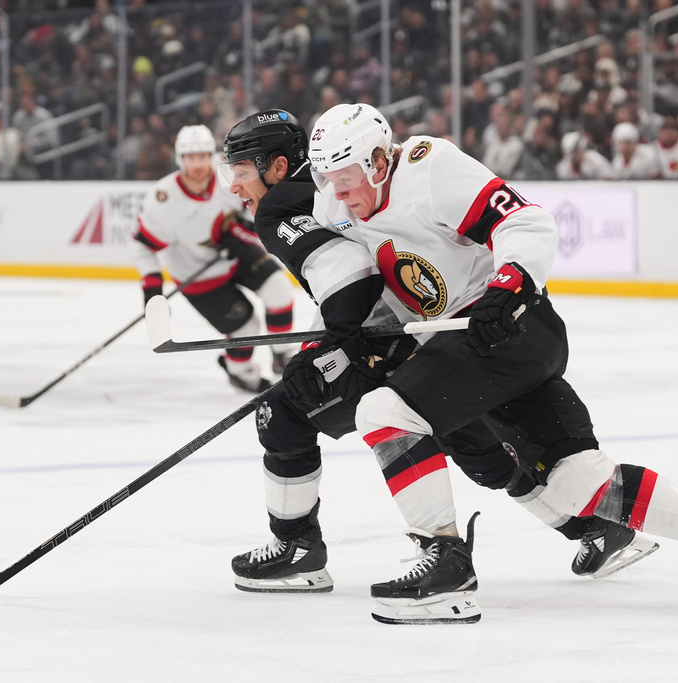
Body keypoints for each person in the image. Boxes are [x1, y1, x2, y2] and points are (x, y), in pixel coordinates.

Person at [305, 102, 678, 623]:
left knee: (385, 413)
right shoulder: (338, 205)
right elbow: (366, 289)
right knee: (576, 482)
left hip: (510, 327)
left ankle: (447, 566)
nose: (339, 190)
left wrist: (508, 283)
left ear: (380, 161)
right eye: (327, 177)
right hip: (470, 344)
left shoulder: (429, 167)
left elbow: (525, 221)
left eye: (348, 176)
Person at [218, 110, 655, 596]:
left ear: (277, 167)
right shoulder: (339, 180)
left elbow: (346, 275)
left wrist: (324, 348)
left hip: (384, 339)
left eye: (239, 173)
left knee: (281, 414)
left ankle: (299, 549)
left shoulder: (282, 202)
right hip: (429, 331)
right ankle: (591, 526)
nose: (234, 187)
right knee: (475, 442)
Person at [131, 124, 297, 392]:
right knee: (247, 327)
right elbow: (142, 246)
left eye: (203, 156)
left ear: (213, 155)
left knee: (279, 290)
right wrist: (153, 292)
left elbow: (254, 210)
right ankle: (240, 371)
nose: (198, 163)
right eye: (190, 157)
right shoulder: (164, 201)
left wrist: (241, 230)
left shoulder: (231, 176)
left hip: (235, 253)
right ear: (180, 159)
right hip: (199, 275)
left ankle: (283, 355)